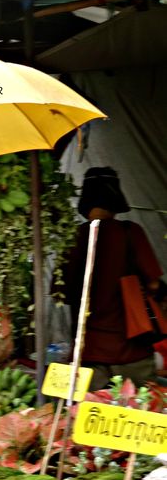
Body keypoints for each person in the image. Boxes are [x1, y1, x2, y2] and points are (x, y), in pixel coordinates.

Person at [60, 166, 164, 391]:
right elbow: (154, 284)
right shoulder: (130, 232)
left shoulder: (73, 238)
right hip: (131, 350)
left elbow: (62, 294)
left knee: (84, 419)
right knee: (140, 416)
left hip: (88, 352)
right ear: (116, 198)